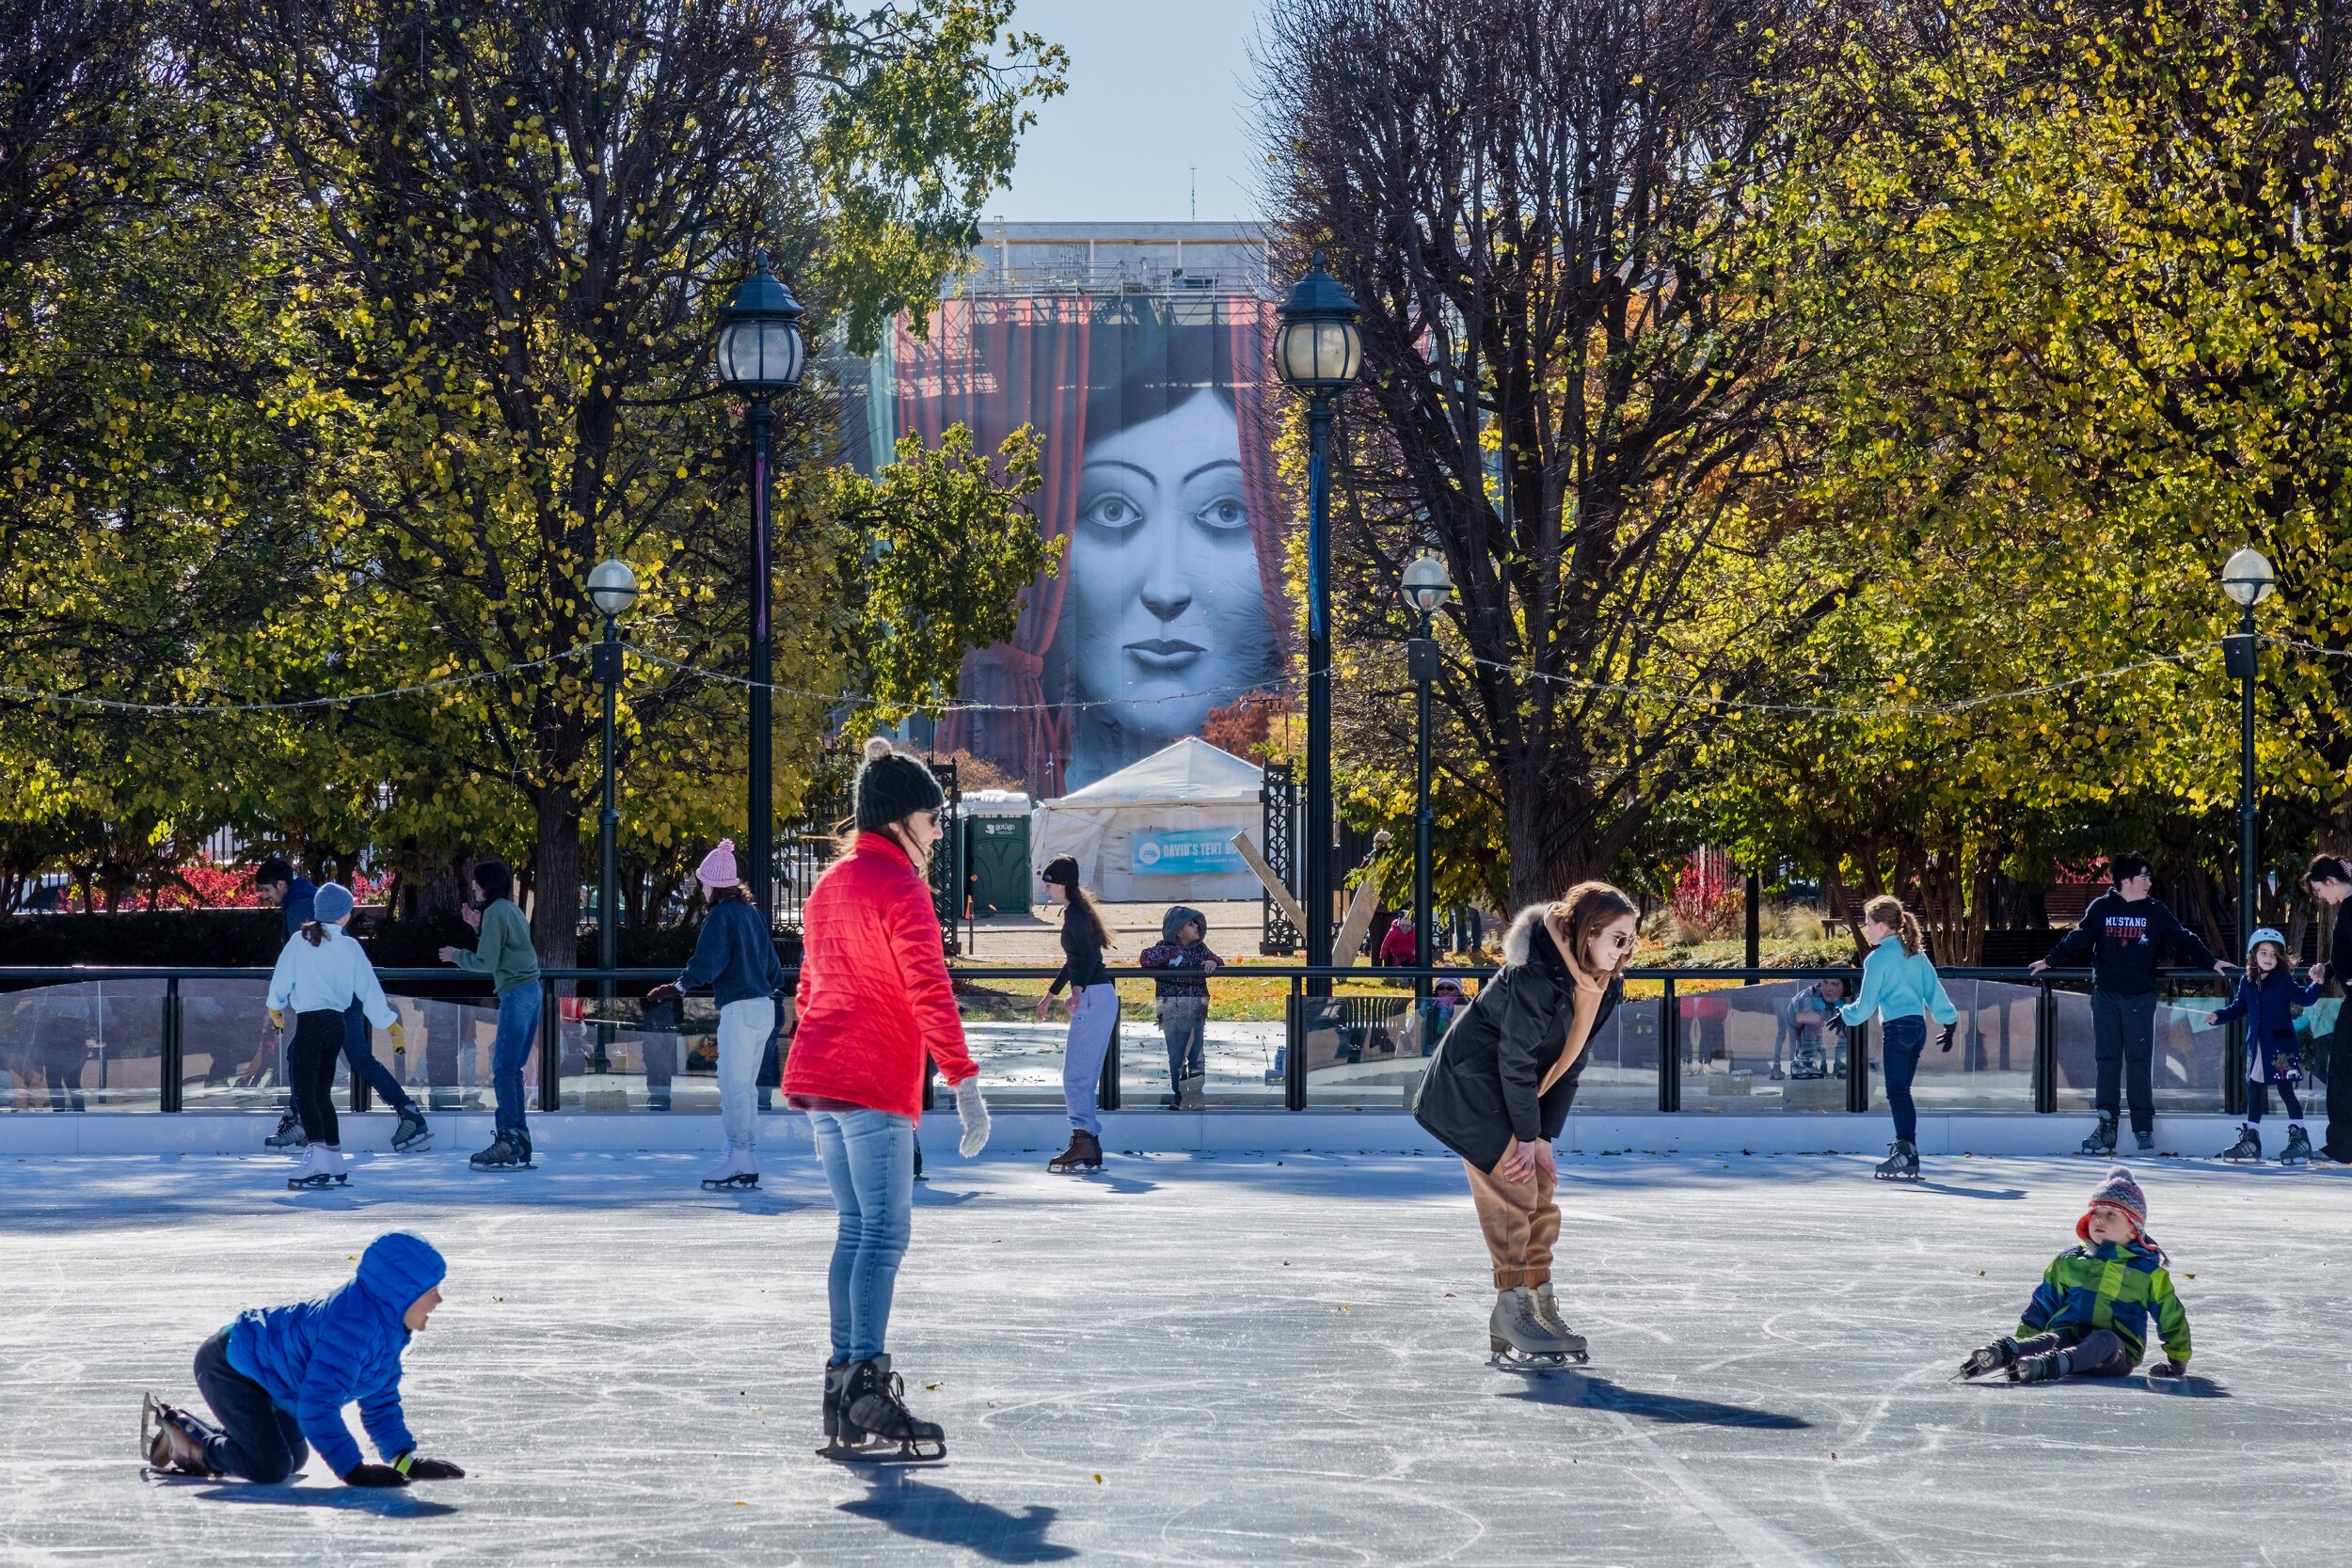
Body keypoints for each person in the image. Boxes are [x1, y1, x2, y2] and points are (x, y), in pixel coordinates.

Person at [784, 736, 991, 1463]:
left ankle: (844, 1383)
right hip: (870, 1077)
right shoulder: (899, 886)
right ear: (903, 818)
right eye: (934, 818)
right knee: (883, 1233)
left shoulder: (830, 883)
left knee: (855, 1227)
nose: (939, 831)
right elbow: (928, 989)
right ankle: (865, 1382)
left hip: (824, 1076)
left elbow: (808, 989)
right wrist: (964, 1080)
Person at [1411, 882, 1640, 1368]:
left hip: (1514, 1095)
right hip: (1472, 1089)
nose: (1627, 949)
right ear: (1589, 932)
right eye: (1619, 938)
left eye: (1631, 938)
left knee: (1541, 1190)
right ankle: (1510, 1305)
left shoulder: (1603, 985)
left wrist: (1544, 1139)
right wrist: (1526, 1137)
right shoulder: (1537, 973)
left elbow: (1570, 1064)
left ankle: (1538, 1301)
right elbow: (1514, 1061)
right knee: (1513, 1191)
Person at [140, 1230, 465, 1488]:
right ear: (401, 1293)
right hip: (232, 1366)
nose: (439, 1299)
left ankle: (192, 1430)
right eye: (431, 1290)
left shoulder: (387, 1329)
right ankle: (190, 1443)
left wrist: (406, 1462)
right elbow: (317, 1407)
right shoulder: (352, 1329)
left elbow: (380, 1401)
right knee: (270, 1466)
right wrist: (353, 1470)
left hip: (274, 1383)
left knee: (293, 1458)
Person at [2027, 853, 2232, 1156]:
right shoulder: (2102, 908)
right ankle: (2106, 1125)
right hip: (2106, 997)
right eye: (2144, 877)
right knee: (2106, 1061)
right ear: (2126, 881)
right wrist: (2050, 961)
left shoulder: (2154, 910)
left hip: (2140, 998)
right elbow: (2079, 938)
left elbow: (2182, 938)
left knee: (2138, 1062)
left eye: (2149, 877)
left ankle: (2142, 1126)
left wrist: (2210, 961)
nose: (2150, 882)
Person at [1955, 1165, 2191, 1384]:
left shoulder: (2147, 1272)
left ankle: (2050, 1363)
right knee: (2053, 1338)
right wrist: (2025, 1337)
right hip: (2068, 1337)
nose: (2099, 1218)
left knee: (2105, 1339)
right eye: (2096, 1212)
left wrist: (2177, 1357)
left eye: (2112, 1214)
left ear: (2133, 1229)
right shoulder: (2069, 1261)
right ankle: (2006, 1352)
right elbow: (2043, 1303)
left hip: (2115, 1353)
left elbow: (2170, 1315)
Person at [645, 839, 787, 1191]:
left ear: (716, 884)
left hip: (739, 1009)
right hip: (764, 1007)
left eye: (704, 882)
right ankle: (745, 1153)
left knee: (734, 1086)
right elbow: (772, 965)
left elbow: (709, 962)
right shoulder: (752, 914)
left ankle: (739, 1155)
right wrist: (768, 989)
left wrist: (678, 986)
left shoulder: (720, 915)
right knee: (747, 1087)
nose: (702, 888)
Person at [263, 882, 403, 1191]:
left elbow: (281, 979)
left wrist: (275, 1008)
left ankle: (316, 1158)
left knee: (304, 1092)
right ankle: (334, 1157)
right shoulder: (350, 946)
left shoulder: (301, 941)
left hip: (311, 1025)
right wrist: (389, 1023)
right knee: (321, 1093)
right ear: (343, 916)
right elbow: (369, 989)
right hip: (336, 1025)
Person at [1839, 895, 1960, 1182]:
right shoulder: (1915, 954)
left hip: (1897, 1030)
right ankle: (1908, 1151)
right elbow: (1934, 991)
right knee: (1901, 1092)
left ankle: (1907, 1152)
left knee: (1897, 1093)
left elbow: (1867, 1005)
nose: (1866, 929)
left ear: (1882, 926)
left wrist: (1845, 1014)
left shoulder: (1878, 959)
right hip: (1917, 1029)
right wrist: (1949, 1019)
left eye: (1868, 923)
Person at [437, 860, 542, 1172]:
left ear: (488, 885)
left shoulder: (496, 912)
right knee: (511, 1069)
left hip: (516, 993)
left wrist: (456, 955)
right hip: (532, 992)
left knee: (503, 1069)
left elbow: (487, 961)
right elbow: (505, 946)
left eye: (476, 883)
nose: (473, 887)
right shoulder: (510, 910)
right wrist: (476, 926)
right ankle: (519, 1138)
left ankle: (508, 1138)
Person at [2210, 927, 2323, 1164]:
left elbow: (2305, 998)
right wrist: (2219, 1016)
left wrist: (2318, 983)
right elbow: (2239, 1008)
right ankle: (2252, 1140)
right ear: (2254, 955)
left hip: (2281, 1047)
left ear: (2279, 957)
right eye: (2263, 953)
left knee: (2285, 1091)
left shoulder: (2283, 980)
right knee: (2253, 1091)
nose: (2268, 958)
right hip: (2257, 1047)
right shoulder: (2246, 982)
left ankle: (2300, 1139)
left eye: (2273, 954)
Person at [1035, 854, 1116, 1171]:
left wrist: (1078, 990)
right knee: (1081, 1075)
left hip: (1094, 996)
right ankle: (1088, 1142)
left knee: (1076, 1077)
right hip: (1099, 995)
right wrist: (1050, 996)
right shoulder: (1078, 913)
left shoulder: (1075, 916)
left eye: (1050, 884)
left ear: (1064, 884)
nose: (1046, 890)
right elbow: (1076, 960)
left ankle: (1084, 1139)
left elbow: (1085, 959)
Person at [254, 858, 318, 1148]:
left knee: (353, 1059)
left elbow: (299, 956)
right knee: (302, 1056)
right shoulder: (305, 898)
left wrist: (279, 999)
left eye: (267, 889)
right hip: (322, 998)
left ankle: (301, 1121)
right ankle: (301, 1121)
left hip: (319, 1001)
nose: (265, 896)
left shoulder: (299, 906)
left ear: (282, 884)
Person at [1139, 905, 1220, 1109]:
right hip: (1172, 1012)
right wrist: (1171, 955)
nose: (1196, 927)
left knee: (1196, 1055)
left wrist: (1212, 961)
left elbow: (1219, 960)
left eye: (1197, 923)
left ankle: (1196, 1094)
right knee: (1176, 1056)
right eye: (1190, 924)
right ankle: (1179, 1094)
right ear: (1177, 930)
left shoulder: (1201, 950)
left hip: (1196, 1011)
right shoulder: (1163, 949)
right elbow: (1145, 959)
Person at [2304, 855, 2352, 1163]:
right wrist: (2329, 970)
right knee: (2343, 1073)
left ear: (2331, 881)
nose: (2321, 897)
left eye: (2319, 890)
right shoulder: (2347, 907)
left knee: (2342, 1073)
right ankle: (2342, 1145)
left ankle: (2341, 1146)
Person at [1773, 976, 1851, 1080]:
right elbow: (1808, 1032)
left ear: (1845, 987)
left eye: (1835, 984)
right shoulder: (1808, 1000)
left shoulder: (1850, 996)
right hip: (1798, 1018)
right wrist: (1809, 1061)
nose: (1828, 988)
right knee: (1811, 1033)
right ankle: (1805, 1064)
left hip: (1825, 1012)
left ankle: (1841, 1065)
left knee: (1846, 1028)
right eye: (1825, 982)